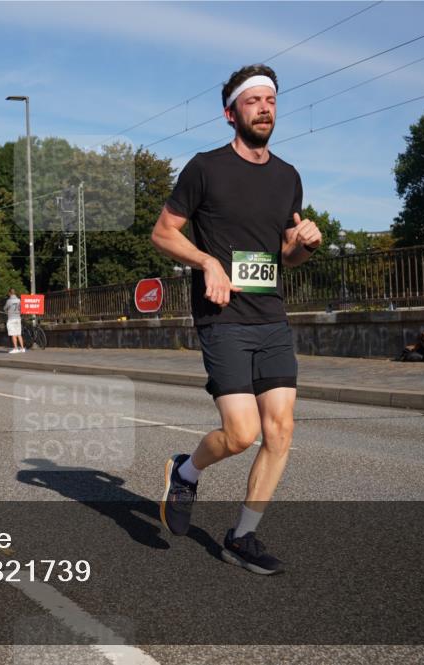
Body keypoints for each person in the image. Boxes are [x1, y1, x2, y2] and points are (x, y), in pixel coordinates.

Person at [151, 64, 322, 575]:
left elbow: (285, 258)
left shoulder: (288, 176)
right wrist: (207, 262)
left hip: (270, 316)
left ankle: (242, 537)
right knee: (242, 433)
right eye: (253, 101)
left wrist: (300, 247)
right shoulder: (205, 168)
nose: (265, 107)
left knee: (281, 431)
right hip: (223, 319)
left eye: (271, 100)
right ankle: (186, 471)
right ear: (231, 113)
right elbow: (163, 233)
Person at [4, 288, 25, 353]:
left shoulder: (9, 301)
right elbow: (21, 309)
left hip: (11, 319)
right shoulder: (19, 300)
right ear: (15, 293)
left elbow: (5, 308)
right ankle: (22, 348)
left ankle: (15, 348)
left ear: (10, 293)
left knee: (13, 334)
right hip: (18, 318)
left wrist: (7, 311)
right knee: (19, 334)